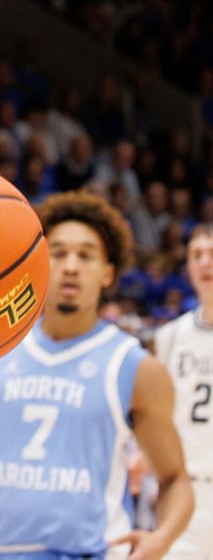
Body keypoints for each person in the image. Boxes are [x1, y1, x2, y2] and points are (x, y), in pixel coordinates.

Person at [0, 191, 194, 560]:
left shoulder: (136, 368)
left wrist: (162, 538)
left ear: (108, 273)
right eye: (58, 253)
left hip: (91, 552)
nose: (71, 265)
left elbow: (175, 480)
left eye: (86, 255)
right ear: (38, 260)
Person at [153, 223, 213, 560]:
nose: (206, 263)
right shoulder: (169, 337)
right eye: (197, 255)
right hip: (184, 495)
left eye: (212, 254)